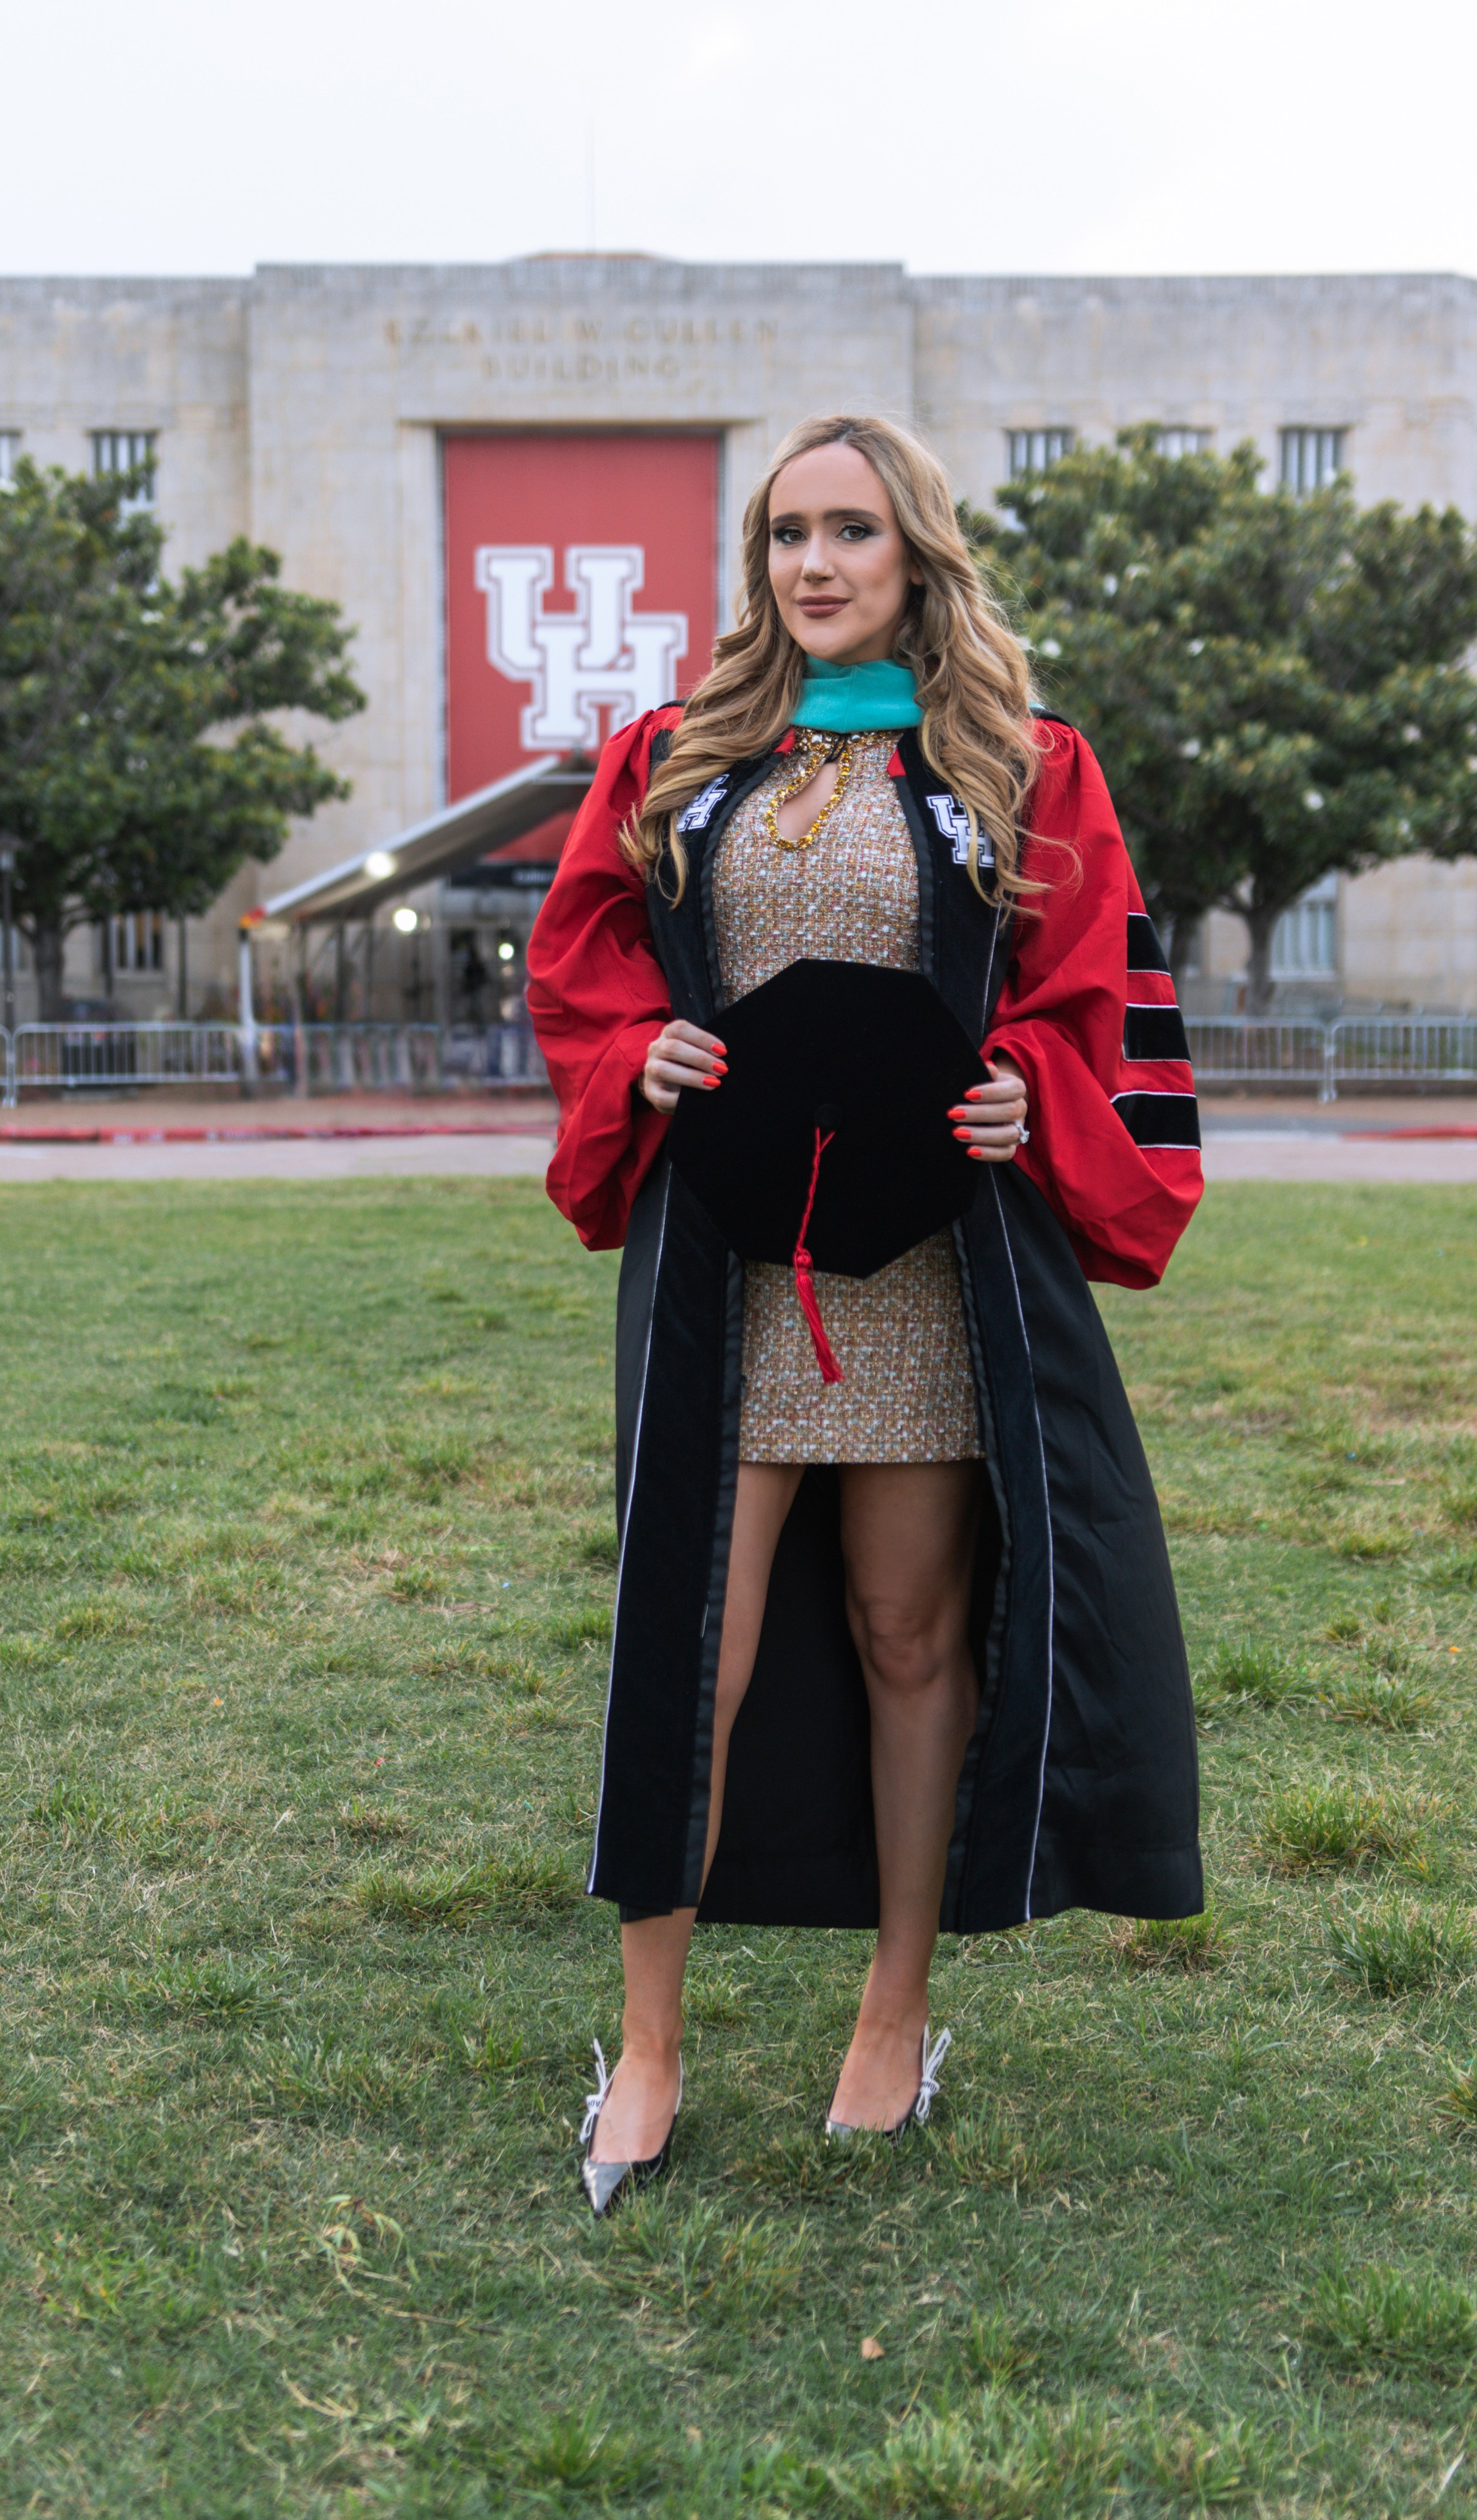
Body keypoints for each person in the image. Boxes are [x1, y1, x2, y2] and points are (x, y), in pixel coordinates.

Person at [526, 414, 1205, 2215]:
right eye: (785, 534)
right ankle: (648, 2046)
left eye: (851, 531)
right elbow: (583, 971)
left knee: (912, 1634)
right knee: (699, 1644)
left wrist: (1025, 1092)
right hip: (732, 1270)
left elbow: (1085, 996)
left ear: (918, 552)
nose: (814, 565)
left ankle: (894, 2019)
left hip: (921, 1269)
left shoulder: (1021, 767)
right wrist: (639, 1055)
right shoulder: (676, 758)